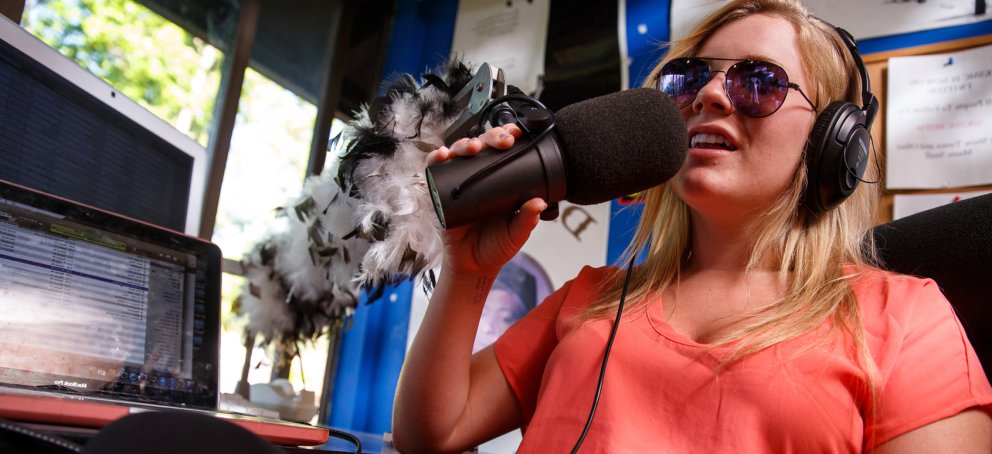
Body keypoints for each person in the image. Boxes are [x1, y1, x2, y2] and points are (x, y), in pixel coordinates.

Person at [391, 0, 992, 452]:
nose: (709, 95)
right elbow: (433, 432)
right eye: (688, 79)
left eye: (759, 83)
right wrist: (470, 273)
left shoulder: (904, 319)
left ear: (835, 143)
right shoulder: (589, 297)